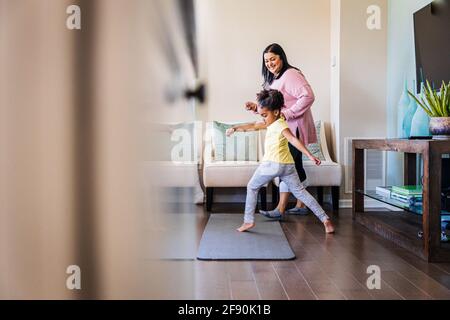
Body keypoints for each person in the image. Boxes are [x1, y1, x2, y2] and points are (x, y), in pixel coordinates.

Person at [228, 89, 335, 234]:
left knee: (252, 187)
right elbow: (253, 125)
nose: (263, 119)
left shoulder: (280, 124)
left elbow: (293, 139)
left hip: (271, 164)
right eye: (262, 115)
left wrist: (309, 154)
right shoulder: (274, 123)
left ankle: (248, 221)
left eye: (265, 115)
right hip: (288, 166)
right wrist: (235, 128)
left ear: (277, 112)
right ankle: (325, 219)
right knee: (301, 192)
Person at [245, 43, 318, 217]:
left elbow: (308, 96)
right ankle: (300, 205)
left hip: (294, 127)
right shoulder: (276, 79)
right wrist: (257, 108)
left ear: (281, 58)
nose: (269, 63)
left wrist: (288, 114)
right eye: (266, 61)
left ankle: (281, 208)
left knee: (287, 166)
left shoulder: (291, 74)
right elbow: (274, 107)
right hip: (285, 127)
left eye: (273, 59)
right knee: (295, 165)